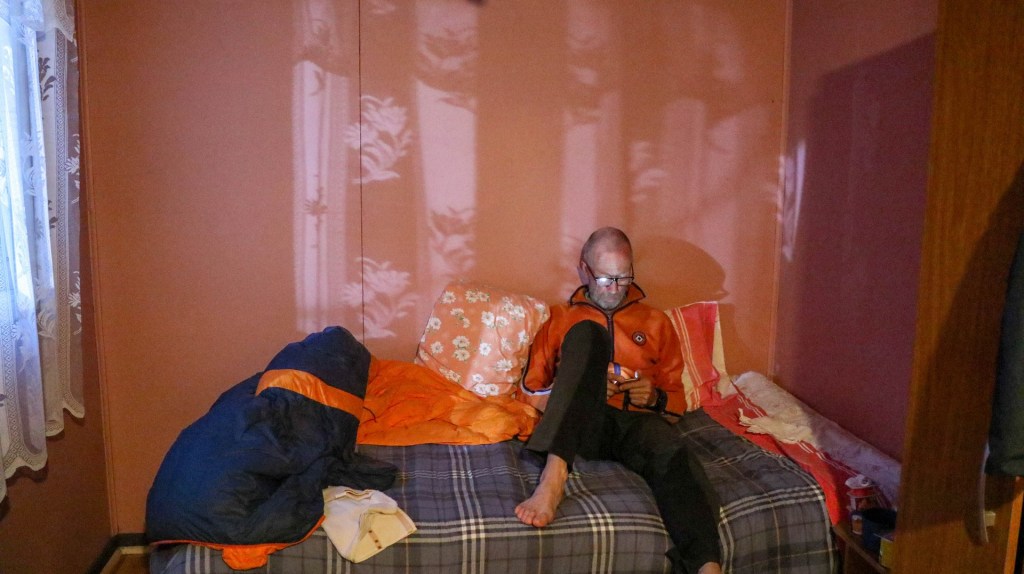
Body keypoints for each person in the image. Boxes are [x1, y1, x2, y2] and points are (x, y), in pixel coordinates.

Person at [516, 227, 722, 574]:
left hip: (636, 425)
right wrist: (584, 388)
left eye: (623, 278)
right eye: (605, 278)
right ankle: (553, 479)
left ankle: (707, 566)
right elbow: (529, 394)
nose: (614, 288)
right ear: (584, 270)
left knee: (676, 457)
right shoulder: (560, 318)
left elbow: (676, 403)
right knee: (588, 335)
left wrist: (654, 397)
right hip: (581, 424)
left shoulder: (656, 322)